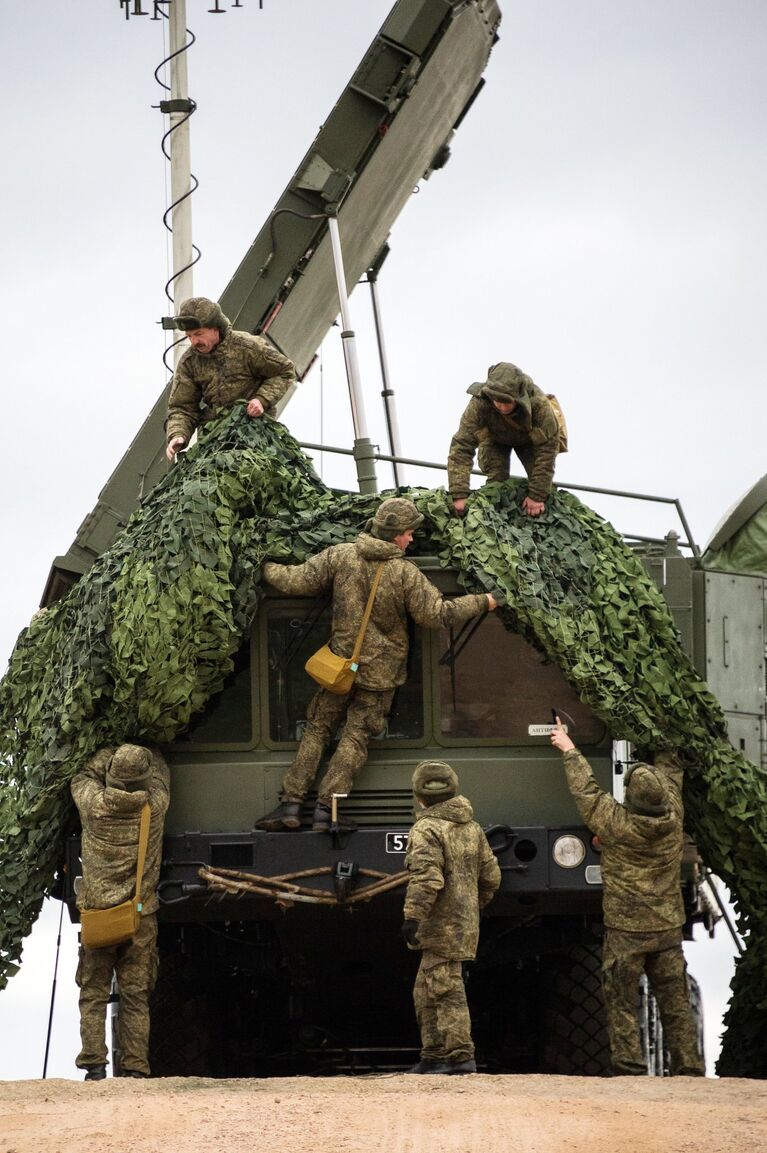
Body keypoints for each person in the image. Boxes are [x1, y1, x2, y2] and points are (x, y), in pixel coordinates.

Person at [255, 498, 498, 832]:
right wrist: (484, 601)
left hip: (339, 668)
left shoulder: (340, 556)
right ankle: (328, 813)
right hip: (380, 677)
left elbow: (297, 581)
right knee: (355, 738)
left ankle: (291, 806)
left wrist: (263, 565)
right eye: (409, 534)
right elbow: (438, 615)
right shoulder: (404, 573)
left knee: (317, 728)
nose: (411, 540)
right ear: (395, 534)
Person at [549, 721, 705, 1076]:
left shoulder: (618, 825)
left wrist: (568, 747)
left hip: (626, 933)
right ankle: (690, 1071)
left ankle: (630, 1070)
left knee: (621, 1001)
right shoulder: (673, 816)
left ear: (631, 800)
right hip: (667, 930)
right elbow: (672, 771)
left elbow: (586, 791)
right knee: (676, 1003)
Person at [71, 743, 170, 1081]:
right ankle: (136, 1068)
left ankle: (95, 1066)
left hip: (98, 919)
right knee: (135, 995)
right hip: (139, 918)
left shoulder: (93, 805)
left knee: (93, 992)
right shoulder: (154, 807)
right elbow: (160, 767)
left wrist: (112, 750)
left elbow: (83, 774)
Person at [401, 759, 501, 1074]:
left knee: (445, 988)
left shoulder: (426, 829)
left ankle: (460, 1057)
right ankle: (433, 1056)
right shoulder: (471, 828)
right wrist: (472, 906)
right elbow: (492, 876)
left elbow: (427, 879)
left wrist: (412, 917)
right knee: (425, 988)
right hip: (462, 923)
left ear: (419, 798)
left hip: (438, 924)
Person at [165, 296, 296, 460]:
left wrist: (261, 400)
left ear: (215, 329)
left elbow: (284, 371)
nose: (194, 341)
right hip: (214, 442)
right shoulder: (189, 362)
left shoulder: (247, 347)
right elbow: (182, 407)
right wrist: (179, 434)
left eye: (199, 334)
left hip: (255, 436)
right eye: (189, 336)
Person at [447, 361, 563, 518]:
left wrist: (537, 496)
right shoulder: (480, 403)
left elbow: (547, 450)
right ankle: (497, 519)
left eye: (506, 401)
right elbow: (462, 445)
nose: (501, 406)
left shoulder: (539, 405)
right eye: (497, 401)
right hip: (495, 440)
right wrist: (459, 493)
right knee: (497, 485)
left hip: (530, 441)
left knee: (544, 491)